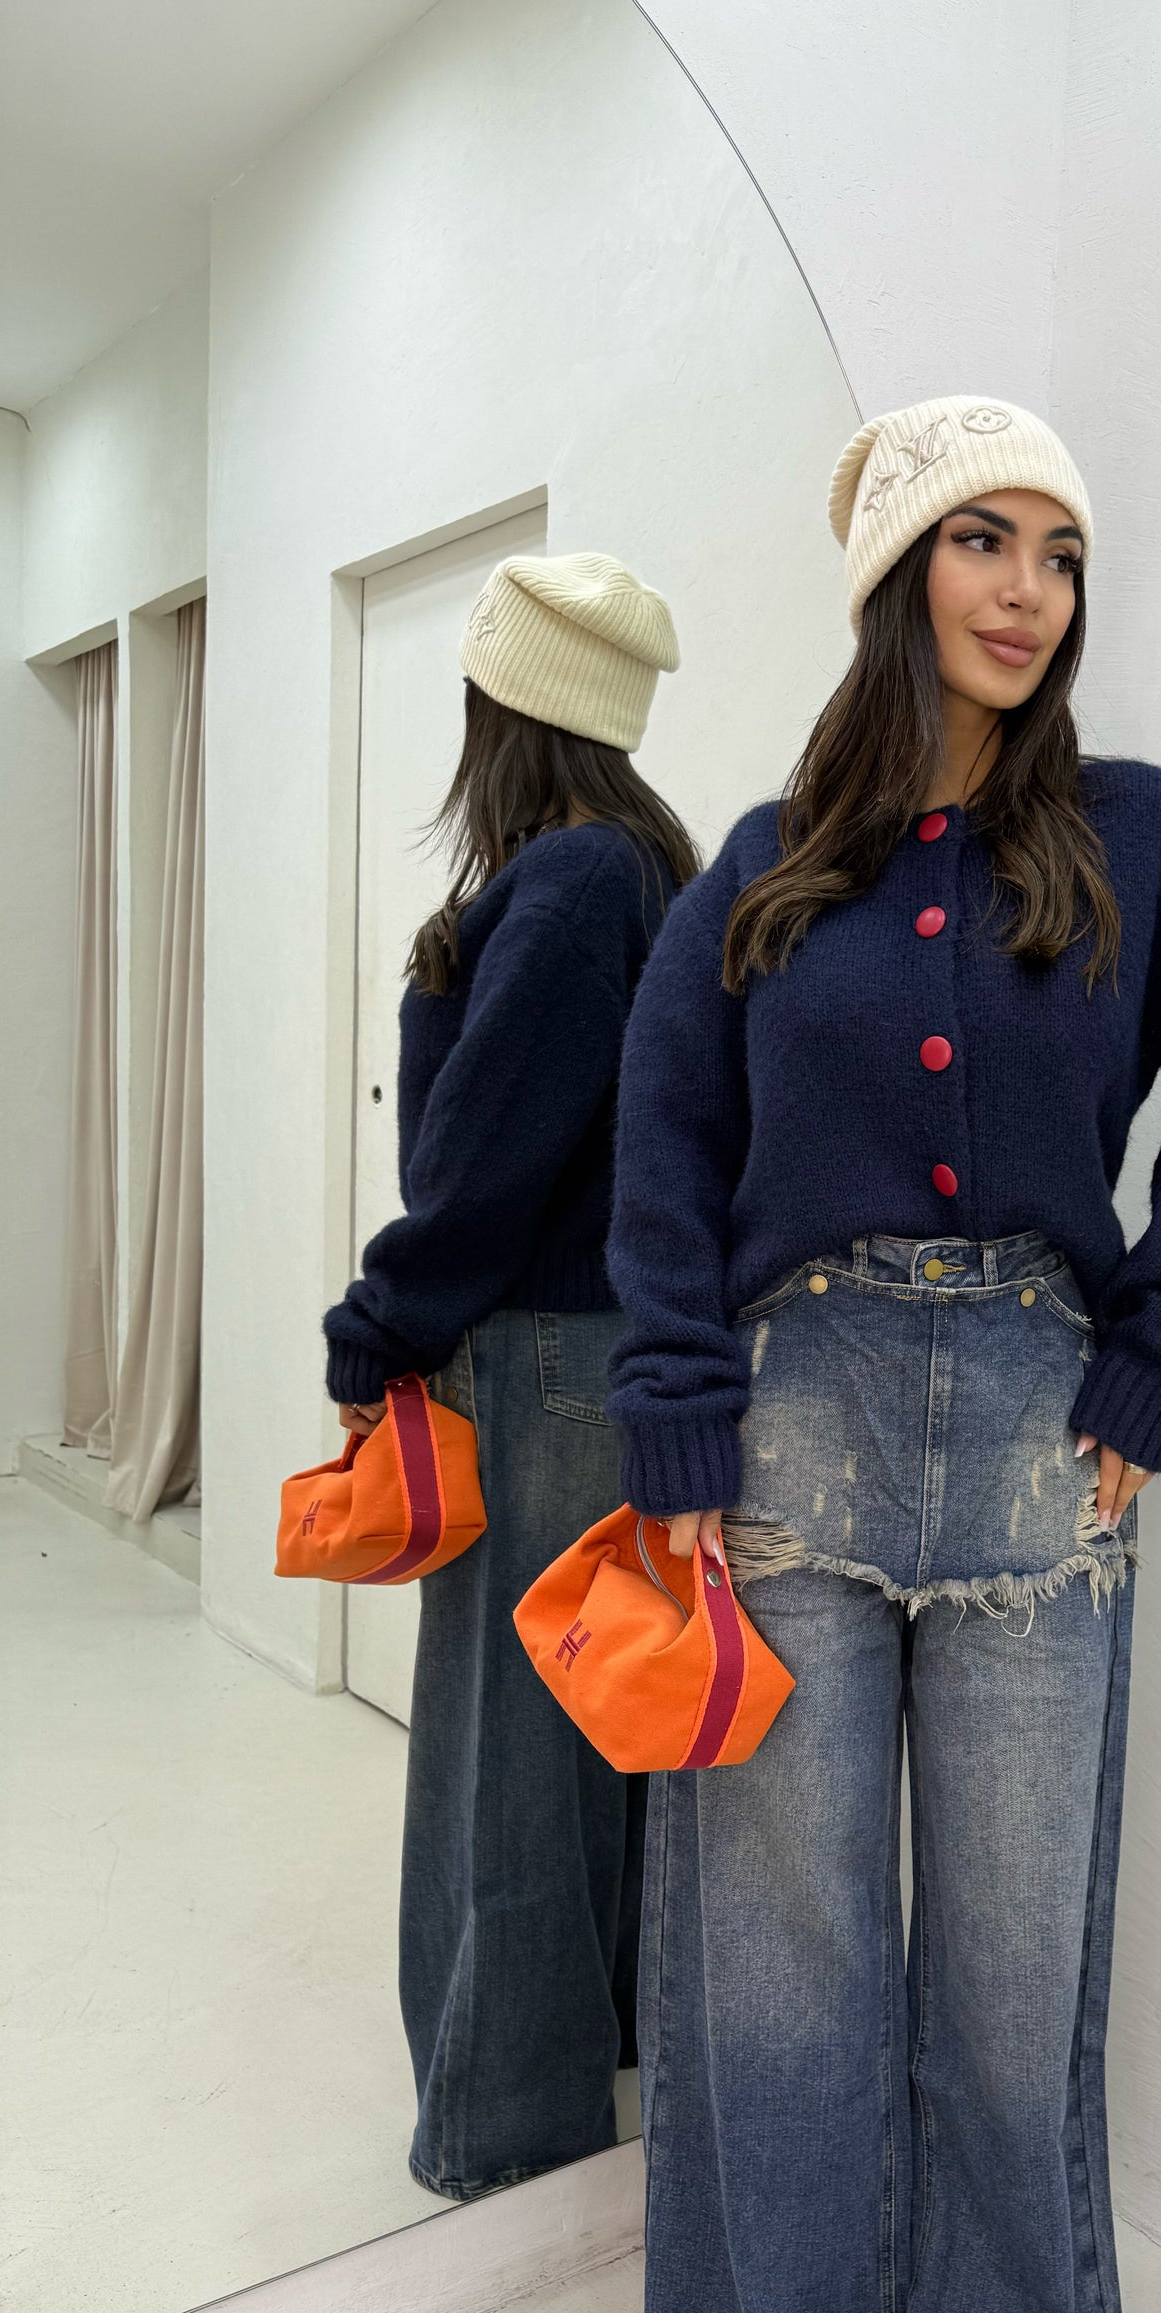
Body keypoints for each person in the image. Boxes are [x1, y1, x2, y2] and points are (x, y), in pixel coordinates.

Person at [605, 400, 1161, 2313]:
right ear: (893, 575)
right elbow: (666, 1147)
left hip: (1037, 1440)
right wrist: (676, 1406)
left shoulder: (1138, 838)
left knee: (1014, 1962)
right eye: (982, 541)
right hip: (792, 1439)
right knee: (781, 1952)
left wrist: (1158, 1360)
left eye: (1060, 554)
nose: (1028, 593)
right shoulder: (765, 866)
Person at [324, 552, 699, 2199]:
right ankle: (587, 2066)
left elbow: (480, 1163)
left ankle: (504, 2134)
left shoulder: (566, 887)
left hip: (540, 1358)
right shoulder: (644, 865)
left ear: (503, 703)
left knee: (508, 1761)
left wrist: (378, 1324)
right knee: (595, 1735)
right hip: (607, 1360)